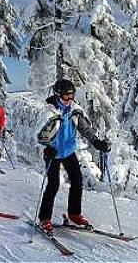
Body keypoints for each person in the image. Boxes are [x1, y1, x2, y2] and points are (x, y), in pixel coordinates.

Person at [36, 79, 110, 233]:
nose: (69, 100)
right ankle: (44, 218)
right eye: (65, 97)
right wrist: (47, 147)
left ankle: (74, 214)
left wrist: (97, 142)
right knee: (53, 185)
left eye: (71, 96)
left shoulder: (74, 111)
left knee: (77, 180)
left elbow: (86, 130)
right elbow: (38, 135)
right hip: (53, 153)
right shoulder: (49, 112)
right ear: (57, 96)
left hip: (69, 151)